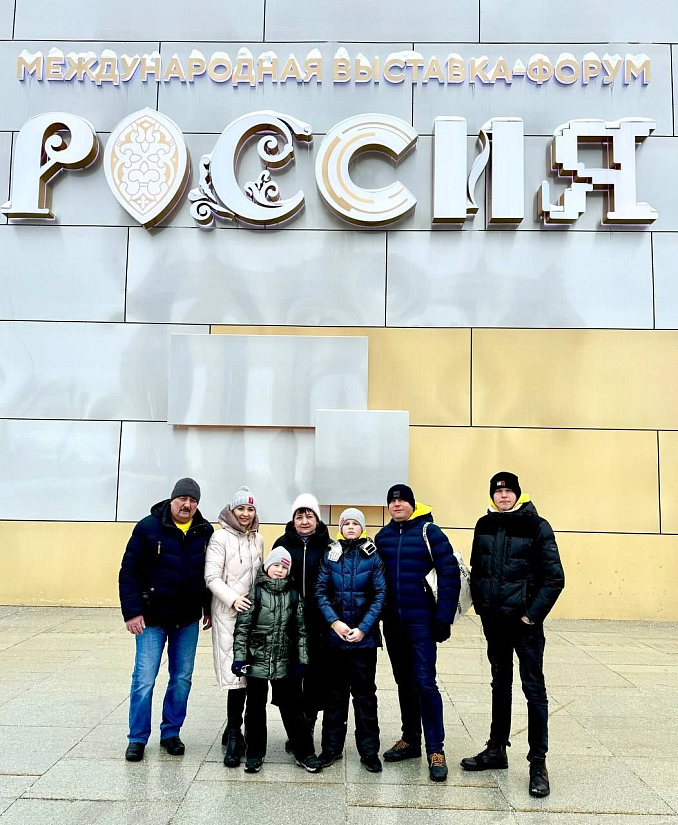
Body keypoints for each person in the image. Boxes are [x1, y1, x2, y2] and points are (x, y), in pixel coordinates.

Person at [461, 471, 565, 798]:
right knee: (500, 684)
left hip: (525, 624)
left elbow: (554, 578)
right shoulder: (484, 524)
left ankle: (538, 763)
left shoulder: (537, 526)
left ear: (518, 494)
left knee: (534, 689)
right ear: (492, 495)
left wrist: (531, 615)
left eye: (508, 491)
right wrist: (482, 606)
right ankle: (496, 749)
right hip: (495, 622)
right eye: (498, 491)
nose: (503, 495)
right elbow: (478, 570)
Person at [119, 478, 214, 762]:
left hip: (187, 619)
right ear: (172, 500)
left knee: (182, 678)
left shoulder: (204, 531)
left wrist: (208, 607)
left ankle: (171, 732)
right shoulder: (147, 527)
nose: (187, 505)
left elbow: (210, 573)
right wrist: (132, 612)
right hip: (152, 619)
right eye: (182, 499)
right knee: (144, 679)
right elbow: (129, 572)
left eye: (193, 500)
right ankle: (137, 738)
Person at [375, 483, 460, 782]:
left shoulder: (430, 532)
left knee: (425, 683)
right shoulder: (382, 537)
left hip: (422, 622)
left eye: (402, 500)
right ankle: (410, 738)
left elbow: (449, 573)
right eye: (392, 501)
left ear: (412, 504)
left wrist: (443, 618)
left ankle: (436, 750)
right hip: (393, 623)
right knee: (404, 682)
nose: (397, 505)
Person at [231, 548, 323, 774]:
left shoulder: (294, 595)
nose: (280, 570)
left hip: (285, 661)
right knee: (254, 709)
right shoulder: (256, 593)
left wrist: (302, 660)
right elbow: (242, 629)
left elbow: (301, 631)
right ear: (267, 567)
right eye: (276, 566)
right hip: (257, 661)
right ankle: (255, 753)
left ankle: (304, 753)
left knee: (293, 708)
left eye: (284, 567)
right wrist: (240, 657)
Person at [316, 508, 387, 772]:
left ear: (362, 528)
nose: (350, 527)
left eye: (356, 523)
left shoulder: (373, 556)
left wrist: (363, 629)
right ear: (340, 528)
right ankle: (331, 748)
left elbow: (380, 594)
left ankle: (369, 751)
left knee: (365, 696)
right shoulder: (330, 554)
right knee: (335, 696)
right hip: (335, 640)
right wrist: (335, 623)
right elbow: (320, 591)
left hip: (363, 641)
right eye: (346, 523)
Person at [204, 486, 263, 768]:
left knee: (252, 677)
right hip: (229, 615)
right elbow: (212, 577)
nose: (245, 514)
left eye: (250, 509)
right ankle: (233, 733)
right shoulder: (219, 538)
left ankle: (244, 731)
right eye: (241, 508)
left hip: (254, 617)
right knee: (235, 678)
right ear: (232, 510)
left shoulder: (258, 538)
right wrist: (233, 599)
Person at [272, 493, 332, 743]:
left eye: (309, 516)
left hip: (319, 622)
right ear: (293, 519)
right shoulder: (282, 544)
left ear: (317, 519)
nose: (304, 521)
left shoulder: (329, 546)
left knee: (316, 676)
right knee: (292, 676)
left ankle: (309, 722)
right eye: (299, 516)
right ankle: (296, 726)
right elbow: (272, 579)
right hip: (289, 621)